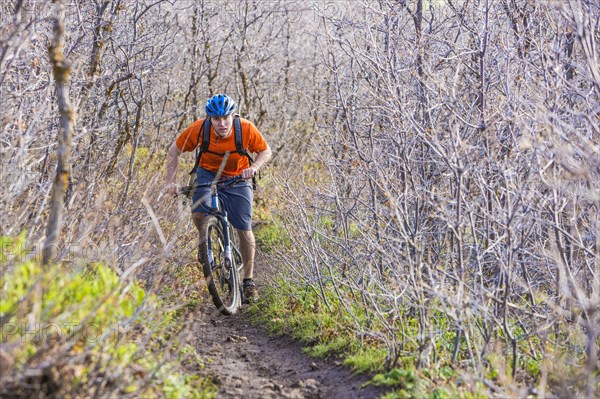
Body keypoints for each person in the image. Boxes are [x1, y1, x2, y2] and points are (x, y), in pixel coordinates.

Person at [165, 94, 272, 302]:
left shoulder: (246, 128)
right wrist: (170, 181)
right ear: (210, 119)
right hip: (207, 173)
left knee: (244, 228)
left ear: (232, 116)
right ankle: (205, 241)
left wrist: (253, 168)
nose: (222, 123)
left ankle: (248, 281)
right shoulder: (199, 129)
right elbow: (174, 151)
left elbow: (265, 151)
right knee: (198, 212)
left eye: (226, 118)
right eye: (216, 119)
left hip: (239, 176)